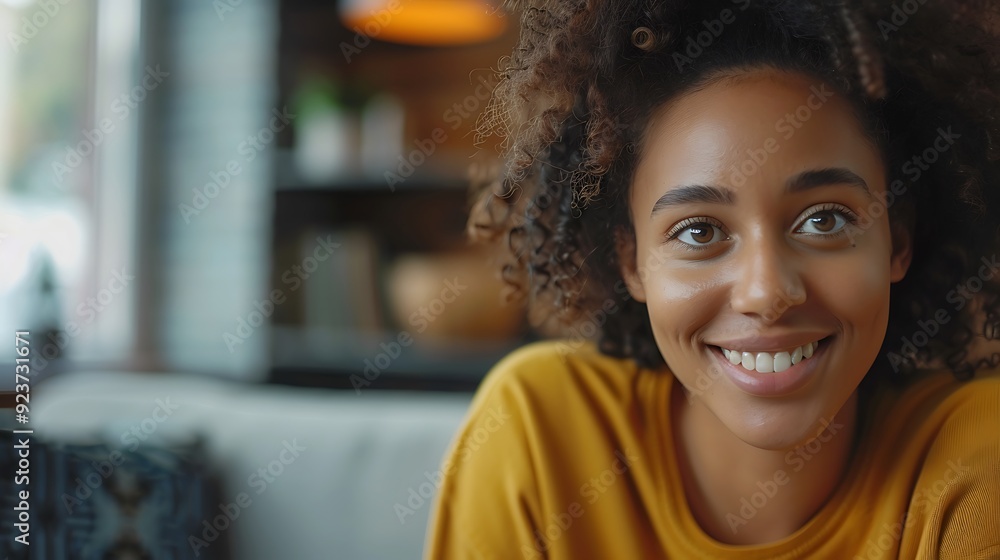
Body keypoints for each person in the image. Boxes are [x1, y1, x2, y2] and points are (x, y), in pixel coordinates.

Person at [425, 0, 1000, 558]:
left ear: (896, 241)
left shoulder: (975, 454)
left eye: (824, 220)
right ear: (632, 262)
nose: (767, 292)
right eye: (699, 232)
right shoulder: (538, 437)